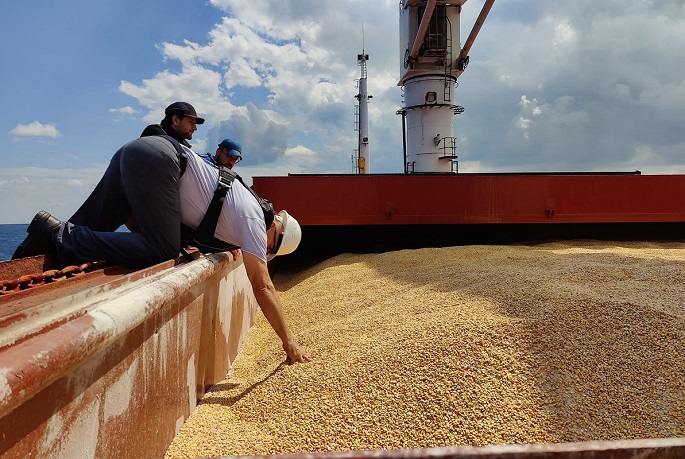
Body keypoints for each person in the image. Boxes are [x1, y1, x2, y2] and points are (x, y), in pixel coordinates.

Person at [12, 135, 310, 364]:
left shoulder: (243, 205)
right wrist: (289, 342)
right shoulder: (255, 220)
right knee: (161, 250)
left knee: (87, 228)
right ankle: (57, 233)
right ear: (276, 229)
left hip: (140, 151)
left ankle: (43, 240)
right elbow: (263, 286)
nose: (263, 250)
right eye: (270, 247)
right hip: (161, 162)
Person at [140, 101, 205, 148]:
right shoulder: (155, 135)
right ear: (175, 120)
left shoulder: (181, 145)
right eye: (191, 122)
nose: (195, 128)